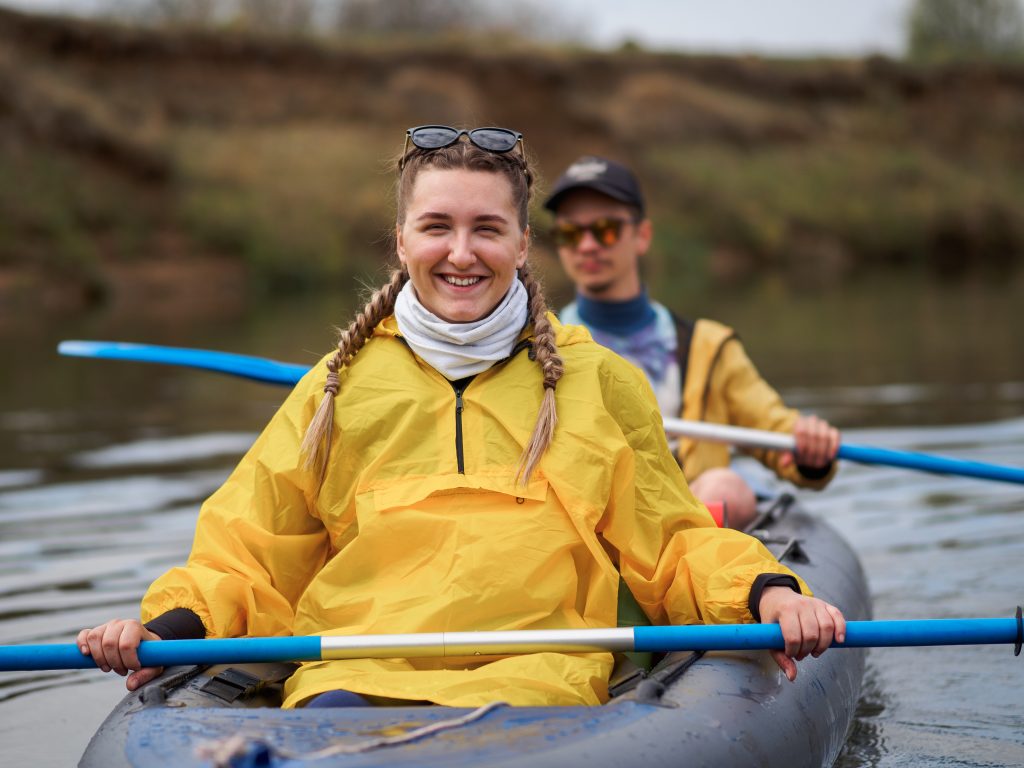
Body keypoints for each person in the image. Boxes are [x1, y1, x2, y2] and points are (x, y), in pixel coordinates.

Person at [77, 126, 845, 710]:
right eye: (437, 226)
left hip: (537, 688)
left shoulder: (597, 381)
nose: (461, 252)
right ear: (403, 239)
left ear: (521, 242)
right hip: (349, 686)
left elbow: (672, 544)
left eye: (487, 228)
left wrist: (769, 594)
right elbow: (245, 557)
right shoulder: (331, 390)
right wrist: (168, 626)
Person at [545, 156, 841, 531]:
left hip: (691, 513)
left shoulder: (709, 346)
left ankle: (684, 564)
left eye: (605, 230)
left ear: (642, 236)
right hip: (589, 516)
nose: (586, 246)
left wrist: (810, 450)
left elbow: (775, 436)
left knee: (725, 487)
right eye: (570, 233)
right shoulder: (542, 346)